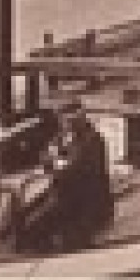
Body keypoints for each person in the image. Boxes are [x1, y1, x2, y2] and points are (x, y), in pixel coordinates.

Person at [42, 104, 115, 250]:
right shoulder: (65, 136)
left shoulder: (92, 140)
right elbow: (47, 155)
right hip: (70, 196)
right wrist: (55, 159)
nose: (65, 124)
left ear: (79, 117)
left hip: (89, 203)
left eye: (70, 120)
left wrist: (56, 161)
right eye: (63, 120)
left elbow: (75, 169)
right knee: (37, 224)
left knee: (71, 238)